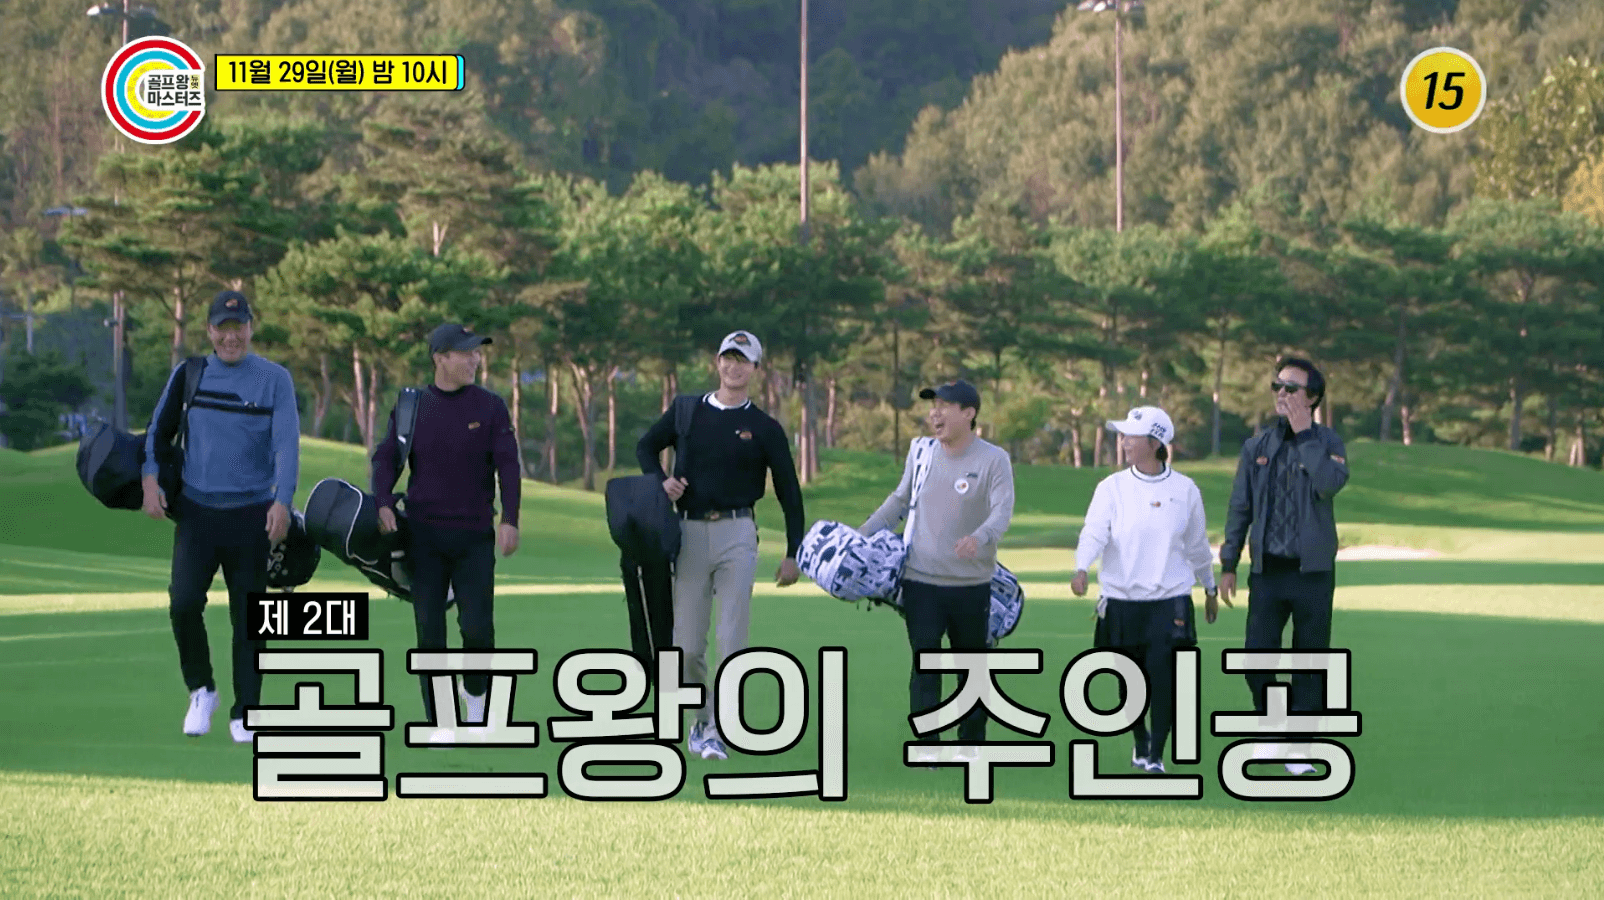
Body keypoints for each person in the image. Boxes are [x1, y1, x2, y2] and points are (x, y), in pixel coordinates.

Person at [635, 330, 806, 761]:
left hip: (738, 534)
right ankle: (703, 719)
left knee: (732, 639)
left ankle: (717, 729)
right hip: (689, 534)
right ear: (717, 362)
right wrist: (662, 482)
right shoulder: (688, 410)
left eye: (743, 360)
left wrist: (793, 552)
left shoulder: (764, 428)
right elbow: (645, 447)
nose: (734, 366)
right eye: (728, 357)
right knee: (687, 647)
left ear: (755, 369)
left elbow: (789, 490)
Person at [142, 290, 299, 744]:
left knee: (249, 617)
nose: (231, 337)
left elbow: (286, 444)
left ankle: (246, 709)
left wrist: (283, 500)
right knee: (183, 602)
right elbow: (158, 431)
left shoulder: (275, 379)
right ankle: (202, 690)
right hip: (197, 512)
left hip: (252, 514)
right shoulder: (189, 373)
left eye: (239, 327)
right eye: (222, 328)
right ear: (209, 331)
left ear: (251, 328)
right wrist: (150, 480)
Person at [371, 323, 522, 733]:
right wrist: (382, 501)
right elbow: (386, 458)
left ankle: (475, 698)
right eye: (466, 353)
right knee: (430, 632)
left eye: (477, 352)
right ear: (440, 358)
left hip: (474, 536)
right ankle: (440, 718)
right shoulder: (413, 407)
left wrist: (510, 518)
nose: (475, 359)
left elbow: (508, 465)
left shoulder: (490, 407)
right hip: (424, 537)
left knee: (477, 627)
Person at [860, 379, 1015, 764]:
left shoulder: (993, 459)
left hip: (972, 585)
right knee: (925, 664)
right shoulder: (921, 452)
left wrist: (979, 537)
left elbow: (1002, 511)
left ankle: (972, 745)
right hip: (921, 582)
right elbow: (899, 501)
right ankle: (928, 746)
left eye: (945, 406)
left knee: (972, 669)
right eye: (933, 406)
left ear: (969, 413)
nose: (935, 413)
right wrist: (859, 537)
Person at [1071, 406, 1222, 774]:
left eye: (1131, 437)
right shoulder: (1111, 488)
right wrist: (1082, 566)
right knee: (1128, 682)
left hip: (1169, 600)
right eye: (1122, 436)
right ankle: (1140, 738)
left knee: (1164, 679)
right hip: (1122, 600)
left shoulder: (1184, 490)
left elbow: (1197, 546)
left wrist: (1210, 587)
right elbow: (1094, 531)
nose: (1123, 442)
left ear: (1155, 443)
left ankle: (1156, 753)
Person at [1219, 357, 1350, 775]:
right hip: (1268, 572)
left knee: (1310, 663)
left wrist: (1305, 434)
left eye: (1292, 388)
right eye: (1277, 385)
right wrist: (1229, 561)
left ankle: (1299, 747)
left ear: (1312, 397)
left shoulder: (1328, 443)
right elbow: (1240, 507)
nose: (1282, 393)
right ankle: (1274, 728)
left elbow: (1328, 484)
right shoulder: (1257, 447)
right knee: (1256, 658)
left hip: (1312, 573)